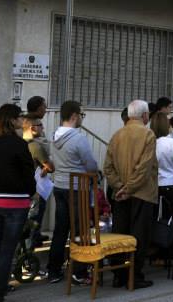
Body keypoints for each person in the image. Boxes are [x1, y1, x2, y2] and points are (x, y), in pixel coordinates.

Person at [0, 104, 34, 302]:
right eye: (19, 117)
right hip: (14, 202)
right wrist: (30, 192)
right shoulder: (18, 144)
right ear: (11, 119)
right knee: (6, 251)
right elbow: (28, 173)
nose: (22, 121)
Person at [103, 100, 157, 289]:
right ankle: (135, 275)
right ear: (144, 116)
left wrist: (120, 187)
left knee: (120, 233)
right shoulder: (148, 134)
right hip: (142, 193)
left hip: (120, 195)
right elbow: (145, 167)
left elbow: (107, 167)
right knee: (139, 236)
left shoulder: (117, 134)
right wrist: (130, 187)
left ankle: (119, 275)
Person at [47, 101, 98, 285]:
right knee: (80, 230)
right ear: (75, 116)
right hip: (77, 188)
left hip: (59, 185)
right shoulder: (79, 138)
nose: (82, 119)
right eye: (81, 116)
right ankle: (79, 271)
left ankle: (53, 270)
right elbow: (90, 164)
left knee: (60, 229)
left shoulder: (54, 136)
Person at [152, 112, 173, 246]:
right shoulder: (172, 143)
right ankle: (170, 247)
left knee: (157, 219)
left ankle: (157, 247)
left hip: (155, 184)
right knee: (171, 218)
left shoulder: (151, 142)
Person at [24, 116, 54, 249]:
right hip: (35, 188)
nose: (43, 127)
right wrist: (47, 168)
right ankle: (29, 253)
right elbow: (51, 166)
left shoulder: (19, 143)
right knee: (34, 219)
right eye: (40, 125)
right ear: (32, 128)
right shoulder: (35, 146)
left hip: (21, 189)